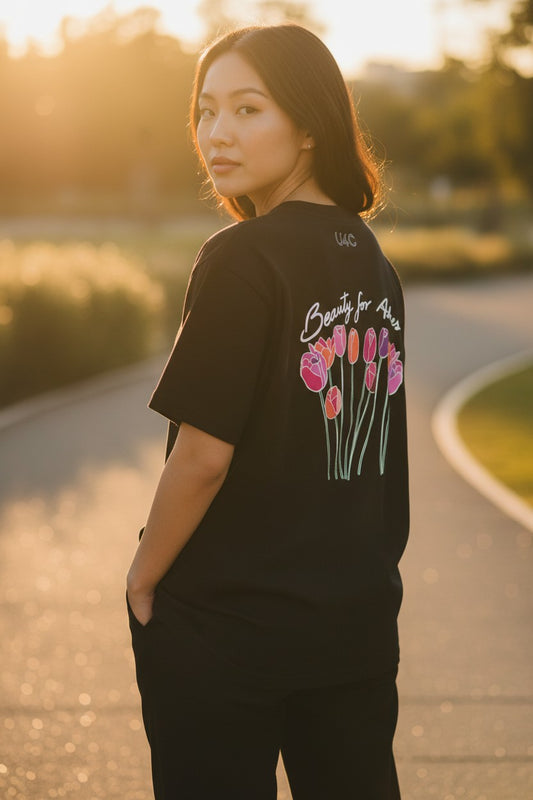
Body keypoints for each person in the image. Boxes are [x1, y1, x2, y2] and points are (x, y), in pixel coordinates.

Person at [126, 23, 409, 800]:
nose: (217, 133)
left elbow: (202, 455)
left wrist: (142, 578)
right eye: (206, 110)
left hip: (227, 628)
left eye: (247, 110)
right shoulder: (372, 264)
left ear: (309, 125)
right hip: (351, 626)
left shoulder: (240, 257)